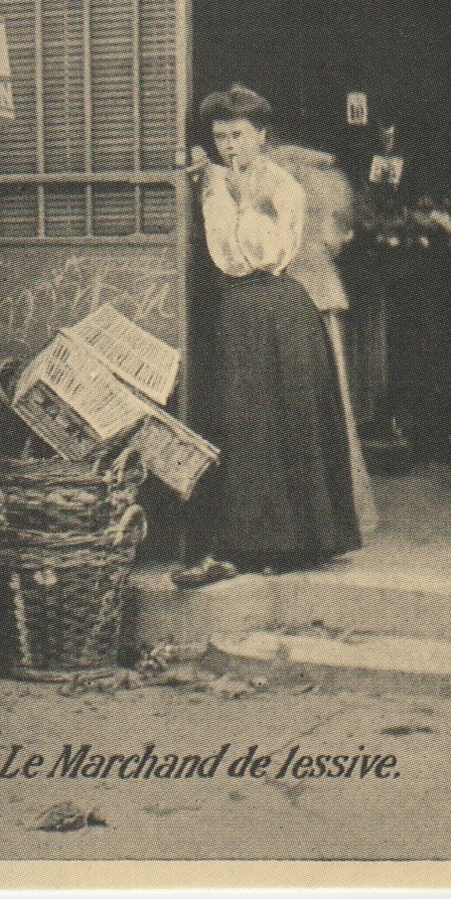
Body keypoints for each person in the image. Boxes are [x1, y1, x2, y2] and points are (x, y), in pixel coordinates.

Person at [174, 85, 362, 586]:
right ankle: (238, 541)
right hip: (235, 308)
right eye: (219, 137)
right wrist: (212, 180)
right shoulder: (217, 178)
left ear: (261, 134)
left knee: (278, 421)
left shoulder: (283, 186)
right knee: (239, 420)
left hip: (276, 306)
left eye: (237, 135)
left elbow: (263, 249)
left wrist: (237, 195)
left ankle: (290, 540)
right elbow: (217, 248)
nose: (228, 146)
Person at [269, 142, 381, 536]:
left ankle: (309, 517)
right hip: (318, 286)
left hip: (291, 290)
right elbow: (340, 238)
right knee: (331, 404)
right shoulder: (329, 180)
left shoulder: (268, 175)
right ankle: (336, 511)